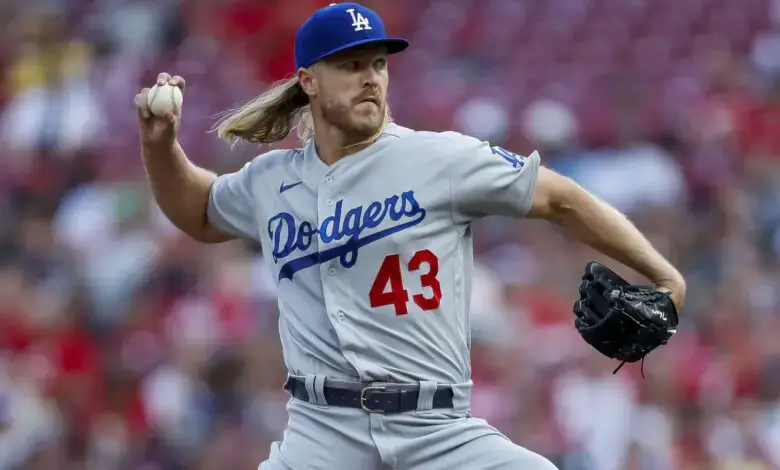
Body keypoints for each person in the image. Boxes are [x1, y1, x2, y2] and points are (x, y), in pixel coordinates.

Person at [134, 3, 686, 469]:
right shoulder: (270, 181)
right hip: (322, 434)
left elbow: (562, 199)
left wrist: (663, 275)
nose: (371, 76)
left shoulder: (439, 158)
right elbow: (200, 212)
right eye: (351, 66)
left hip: (437, 429)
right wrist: (161, 148)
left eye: (377, 63)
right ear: (308, 81)